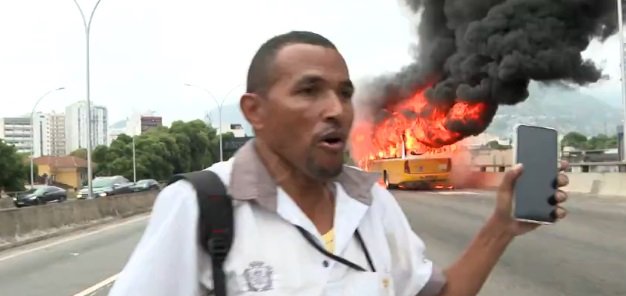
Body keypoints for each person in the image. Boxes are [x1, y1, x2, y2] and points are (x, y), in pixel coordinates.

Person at [109, 31, 569, 296]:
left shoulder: (373, 206)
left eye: (345, 93)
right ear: (255, 112)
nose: (337, 109)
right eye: (309, 91)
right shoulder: (201, 206)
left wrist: (500, 227)